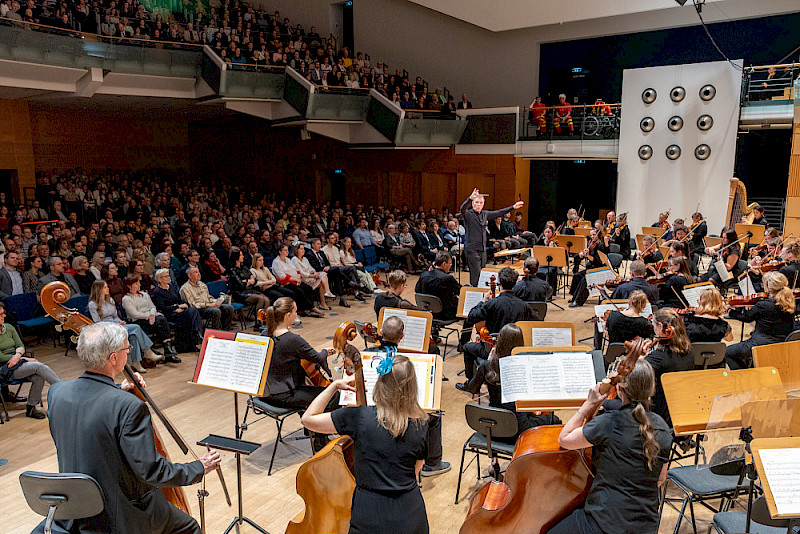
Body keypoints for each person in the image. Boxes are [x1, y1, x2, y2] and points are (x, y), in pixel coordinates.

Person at [44, 322, 220, 534]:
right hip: (118, 515)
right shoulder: (129, 407)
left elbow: (90, 407)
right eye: (127, 349)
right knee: (189, 528)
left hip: (74, 510)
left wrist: (118, 388)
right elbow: (153, 471)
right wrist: (198, 467)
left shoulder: (57, 393)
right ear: (114, 358)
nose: (129, 353)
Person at [301, 351, 430, 533]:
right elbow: (417, 468)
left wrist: (334, 386)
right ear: (412, 387)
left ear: (381, 385)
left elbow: (308, 419)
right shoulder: (423, 423)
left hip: (370, 515)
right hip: (410, 515)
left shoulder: (359, 417)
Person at [549, 360, 671, 534]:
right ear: (652, 388)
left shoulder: (610, 422)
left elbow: (565, 439)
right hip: (646, 526)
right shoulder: (663, 428)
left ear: (619, 389)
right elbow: (660, 479)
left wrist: (588, 405)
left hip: (606, 524)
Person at [462, 324, 560, 451]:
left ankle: (494, 463)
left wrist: (487, 363)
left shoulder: (486, 366)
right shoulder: (525, 366)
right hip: (519, 431)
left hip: (492, 427)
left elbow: (472, 389)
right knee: (554, 419)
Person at [258, 297, 338, 453]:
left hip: (263, 393)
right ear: (288, 315)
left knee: (307, 389)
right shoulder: (292, 340)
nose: (296, 314)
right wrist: (324, 352)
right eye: (295, 311)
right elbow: (317, 358)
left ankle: (311, 430)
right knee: (331, 395)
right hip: (282, 395)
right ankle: (319, 440)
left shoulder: (264, 334)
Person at [371, 316, 449, 476]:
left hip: (372, 408)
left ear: (380, 332)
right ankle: (433, 463)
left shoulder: (367, 355)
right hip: (396, 412)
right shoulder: (404, 362)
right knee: (434, 416)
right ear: (402, 336)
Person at [458, 267, 534, 387]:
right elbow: (536, 322)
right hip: (516, 350)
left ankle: (471, 384)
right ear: (515, 283)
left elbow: (471, 317)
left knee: (467, 347)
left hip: (492, 349)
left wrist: (483, 301)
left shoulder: (492, 304)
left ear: (499, 282)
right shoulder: (524, 305)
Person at [0, 301, 59, 419]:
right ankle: (62, 389)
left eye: (3, 313)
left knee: (38, 377)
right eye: (0, 314)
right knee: (38, 366)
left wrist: (18, 356)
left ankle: (31, 408)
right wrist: (22, 358)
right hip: (4, 367)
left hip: (17, 360)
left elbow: (20, 345)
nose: (4, 316)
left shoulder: (9, 328)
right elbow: (1, 357)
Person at [88, 280, 162, 374]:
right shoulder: (92, 304)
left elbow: (115, 316)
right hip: (106, 329)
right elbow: (97, 323)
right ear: (99, 289)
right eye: (105, 287)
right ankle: (148, 351)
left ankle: (136, 363)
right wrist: (115, 325)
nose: (108, 288)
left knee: (133, 336)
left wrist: (120, 321)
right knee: (136, 327)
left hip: (117, 325)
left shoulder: (110, 300)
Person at [725, 271, 795, 369]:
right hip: (780, 345)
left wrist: (730, 311)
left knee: (727, 352)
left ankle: (743, 373)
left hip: (760, 345)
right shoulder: (789, 304)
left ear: (769, 288)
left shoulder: (763, 305)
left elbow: (746, 317)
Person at [460, 188, 524, 287]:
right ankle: (474, 295)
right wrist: (469, 198)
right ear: (472, 204)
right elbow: (462, 209)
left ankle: (481, 294)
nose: (478, 204)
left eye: (481, 203)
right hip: (471, 249)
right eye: (476, 202)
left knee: (483, 273)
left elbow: (499, 212)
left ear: (483, 204)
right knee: (476, 275)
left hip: (482, 249)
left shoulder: (484, 214)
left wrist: (513, 207)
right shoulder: (468, 214)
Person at [644, 308, 693, 428]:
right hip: (680, 408)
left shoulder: (657, 358)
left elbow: (636, 377)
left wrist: (642, 357)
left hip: (658, 412)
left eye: (654, 324)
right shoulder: (689, 352)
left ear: (661, 327)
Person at [122, 275, 180, 362]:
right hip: (139, 321)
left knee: (161, 319)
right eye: (136, 283)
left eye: (139, 283)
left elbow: (152, 307)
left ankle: (168, 350)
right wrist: (149, 315)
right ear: (129, 286)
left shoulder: (145, 294)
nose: (139, 285)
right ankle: (167, 351)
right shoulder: (126, 299)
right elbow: (134, 314)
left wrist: (152, 315)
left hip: (152, 318)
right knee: (160, 320)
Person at [151, 269, 202, 353]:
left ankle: (191, 342)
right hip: (168, 313)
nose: (169, 277)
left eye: (168, 275)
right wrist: (176, 307)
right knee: (191, 313)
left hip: (178, 311)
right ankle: (195, 336)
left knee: (192, 312)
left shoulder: (172, 287)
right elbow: (162, 308)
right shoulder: (157, 292)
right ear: (159, 279)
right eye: (166, 276)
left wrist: (182, 306)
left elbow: (179, 300)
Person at [272, 244, 326, 318]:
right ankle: (308, 308)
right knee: (299, 291)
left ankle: (309, 309)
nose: (287, 252)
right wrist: (294, 279)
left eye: (287, 250)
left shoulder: (288, 259)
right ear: (280, 252)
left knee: (308, 288)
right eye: (285, 250)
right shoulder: (276, 262)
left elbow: (296, 270)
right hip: (285, 283)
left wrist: (298, 279)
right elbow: (281, 276)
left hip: (295, 280)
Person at [414, 251, 461, 320]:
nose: (451, 266)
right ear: (444, 264)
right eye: (450, 264)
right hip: (445, 314)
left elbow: (417, 290)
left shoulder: (424, 275)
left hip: (427, 311)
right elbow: (460, 292)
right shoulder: (448, 278)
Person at [568, 227, 609, 307]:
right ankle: (574, 297)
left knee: (586, 279)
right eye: (591, 235)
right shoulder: (591, 244)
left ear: (598, 235)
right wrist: (582, 253)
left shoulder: (601, 245)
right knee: (577, 276)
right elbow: (585, 253)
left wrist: (588, 256)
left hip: (598, 269)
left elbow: (598, 261)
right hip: (591, 268)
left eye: (594, 234)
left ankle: (578, 301)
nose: (592, 236)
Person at [227, 246, 270, 320]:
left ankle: (265, 319)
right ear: (236, 257)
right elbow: (241, 284)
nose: (243, 257)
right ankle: (259, 320)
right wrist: (249, 281)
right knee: (260, 299)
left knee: (266, 299)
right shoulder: (232, 270)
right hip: (239, 293)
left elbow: (255, 280)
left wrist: (248, 281)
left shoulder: (244, 268)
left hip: (249, 290)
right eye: (241, 255)